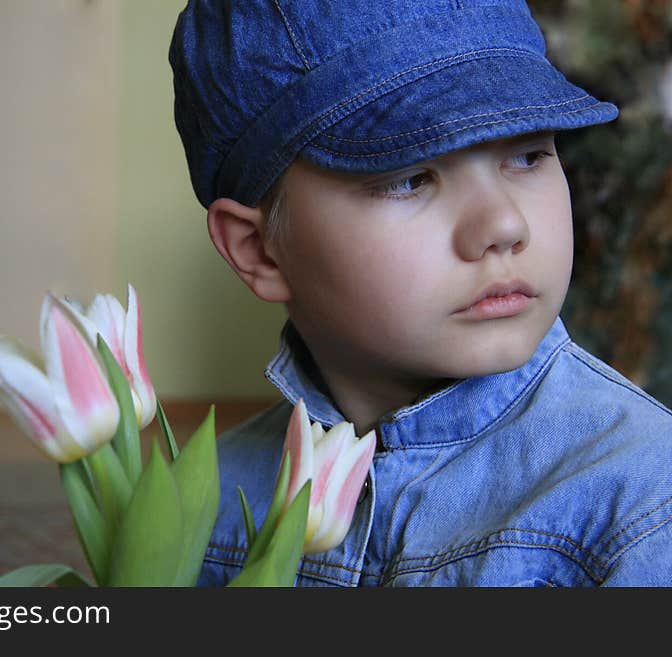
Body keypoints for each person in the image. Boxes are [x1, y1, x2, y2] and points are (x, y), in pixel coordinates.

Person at [168, 0, 672, 586]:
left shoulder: (641, 508)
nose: (504, 226)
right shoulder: (200, 512)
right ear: (258, 250)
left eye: (529, 154)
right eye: (409, 178)